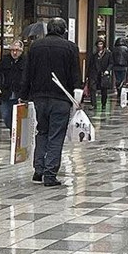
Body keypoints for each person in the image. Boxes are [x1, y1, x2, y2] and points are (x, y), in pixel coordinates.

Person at [19, 17, 82, 187]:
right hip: (61, 99)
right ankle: (50, 173)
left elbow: (27, 74)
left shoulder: (35, 47)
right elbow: (76, 75)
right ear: (63, 30)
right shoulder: (70, 48)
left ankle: (38, 169)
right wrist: (77, 99)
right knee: (56, 135)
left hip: (39, 98)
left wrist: (23, 95)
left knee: (42, 132)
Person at [0, 40, 26, 130]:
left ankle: (15, 135)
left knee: (20, 119)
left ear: (21, 51)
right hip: (7, 92)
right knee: (6, 116)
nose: (14, 52)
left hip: (20, 94)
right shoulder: (5, 60)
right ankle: (12, 129)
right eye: (12, 50)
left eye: (17, 50)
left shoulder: (26, 61)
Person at [87, 39, 111, 110]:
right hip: (94, 73)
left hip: (103, 73)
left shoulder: (108, 54)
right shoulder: (94, 55)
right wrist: (88, 75)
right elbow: (90, 65)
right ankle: (93, 104)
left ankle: (103, 103)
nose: (99, 45)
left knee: (104, 89)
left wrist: (108, 70)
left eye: (101, 44)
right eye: (98, 44)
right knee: (92, 88)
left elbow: (111, 63)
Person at [112, 38, 128, 102]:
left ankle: (118, 89)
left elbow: (112, 57)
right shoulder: (126, 49)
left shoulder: (114, 49)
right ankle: (120, 89)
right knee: (122, 79)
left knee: (117, 78)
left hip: (116, 66)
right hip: (124, 66)